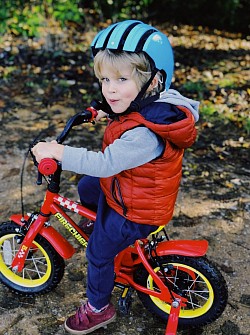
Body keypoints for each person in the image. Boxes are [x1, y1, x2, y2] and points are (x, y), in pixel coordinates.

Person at [32, 20, 199, 335]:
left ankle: (98, 308)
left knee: (96, 252)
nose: (110, 88)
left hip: (137, 210)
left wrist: (59, 152)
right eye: (105, 78)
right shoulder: (155, 106)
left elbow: (106, 163)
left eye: (122, 79)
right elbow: (133, 114)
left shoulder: (146, 135)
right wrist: (108, 112)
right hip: (135, 189)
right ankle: (100, 225)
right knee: (87, 186)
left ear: (154, 81)